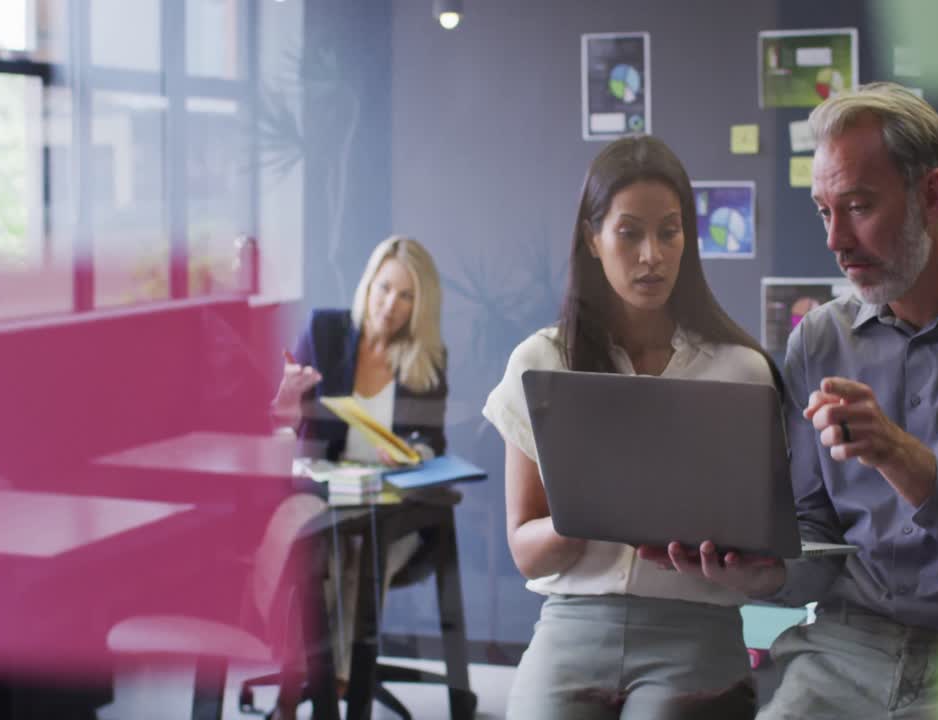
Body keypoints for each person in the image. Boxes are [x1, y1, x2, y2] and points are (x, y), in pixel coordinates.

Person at [643, 82, 938, 718]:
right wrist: (756, 573)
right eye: (824, 210)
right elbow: (817, 540)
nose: (836, 240)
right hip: (844, 646)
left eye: (857, 206)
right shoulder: (819, 339)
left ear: (932, 195)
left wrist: (897, 454)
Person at [483, 135, 781, 719]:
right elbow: (527, 552)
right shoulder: (541, 362)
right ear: (592, 239)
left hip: (697, 626)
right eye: (629, 233)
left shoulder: (740, 370)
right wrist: (595, 511)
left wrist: (738, 565)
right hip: (572, 623)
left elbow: (771, 569)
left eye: (669, 232)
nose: (652, 255)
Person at [270, 234, 447, 704]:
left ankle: (338, 683)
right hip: (327, 498)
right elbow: (286, 425)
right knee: (324, 550)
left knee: (365, 550)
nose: (391, 304)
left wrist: (414, 456)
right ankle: (315, 684)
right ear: (369, 283)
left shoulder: (427, 359)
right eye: (385, 287)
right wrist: (287, 400)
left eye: (406, 295)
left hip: (390, 512)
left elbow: (433, 443)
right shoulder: (325, 333)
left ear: (419, 305)